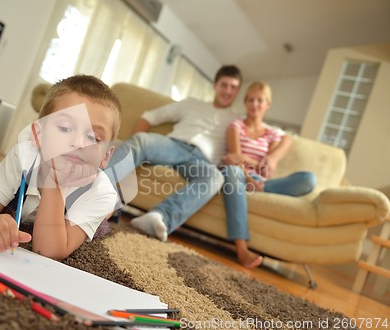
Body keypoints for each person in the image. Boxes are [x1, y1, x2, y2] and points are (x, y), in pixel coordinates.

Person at [109, 65, 290, 242]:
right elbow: (149, 116)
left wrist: (272, 158)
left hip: (202, 161)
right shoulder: (191, 104)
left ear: (238, 91)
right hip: (172, 146)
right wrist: (134, 147)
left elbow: (287, 137)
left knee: (216, 178)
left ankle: (159, 217)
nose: (228, 91)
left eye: (233, 87)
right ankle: (96, 186)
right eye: (224, 85)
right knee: (142, 140)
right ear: (215, 86)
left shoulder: (238, 120)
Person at [0, 75, 121, 260]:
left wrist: (55, 183)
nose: (78, 143)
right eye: (65, 128)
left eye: (93, 138)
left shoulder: (100, 193)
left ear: (106, 156)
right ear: (38, 134)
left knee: (105, 216)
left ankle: (111, 210)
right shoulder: (24, 156)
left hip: (87, 201)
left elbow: (49, 250)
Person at [221, 81, 316, 268]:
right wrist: (249, 174)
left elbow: (265, 167)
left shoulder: (272, 135)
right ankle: (241, 248)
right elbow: (234, 160)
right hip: (237, 176)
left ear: (267, 104)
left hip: (260, 183)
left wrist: (253, 166)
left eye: (259, 100)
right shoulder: (236, 126)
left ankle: (261, 189)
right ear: (245, 102)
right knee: (232, 172)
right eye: (250, 100)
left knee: (308, 179)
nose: (254, 104)